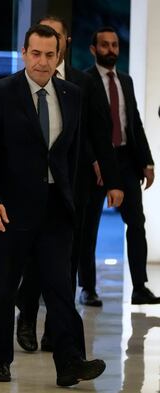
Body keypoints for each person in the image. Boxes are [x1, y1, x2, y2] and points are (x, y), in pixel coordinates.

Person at [0, 24, 106, 386]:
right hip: (10, 209)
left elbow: (72, 154)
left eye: (50, 55)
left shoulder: (72, 94)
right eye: (36, 54)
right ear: (24, 52)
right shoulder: (1, 93)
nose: (42, 62)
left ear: (58, 55)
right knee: (3, 286)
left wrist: (73, 200)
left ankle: (70, 363)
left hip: (56, 209)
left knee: (61, 287)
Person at [14, 16, 124, 353]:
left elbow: (99, 134)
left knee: (67, 261)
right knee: (34, 261)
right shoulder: (19, 85)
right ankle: (27, 316)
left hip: (72, 189)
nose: (48, 48)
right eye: (41, 43)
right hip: (32, 192)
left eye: (55, 39)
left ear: (63, 43)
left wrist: (113, 178)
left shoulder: (82, 83)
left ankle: (55, 330)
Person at [82, 26, 158, 305]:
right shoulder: (84, 81)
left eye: (114, 45)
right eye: (105, 45)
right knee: (88, 228)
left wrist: (147, 161)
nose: (111, 50)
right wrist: (93, 160)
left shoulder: (125, 80)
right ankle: (88, 288)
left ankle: (140, 287)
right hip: (97, 164)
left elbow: (133, 122)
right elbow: (84, 129)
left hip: (126, 160)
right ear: (93, 49)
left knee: (136, 223)